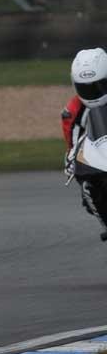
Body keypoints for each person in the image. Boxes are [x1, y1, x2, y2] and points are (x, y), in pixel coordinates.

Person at [66, 48, 107, 240]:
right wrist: (71, 159)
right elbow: (72, 141)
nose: (93, 93)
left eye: (99, 86)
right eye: (86, 88)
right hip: (99, 154)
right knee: (87, 189)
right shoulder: (73, 110)